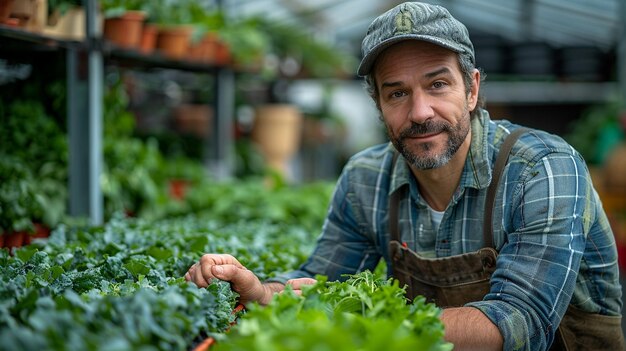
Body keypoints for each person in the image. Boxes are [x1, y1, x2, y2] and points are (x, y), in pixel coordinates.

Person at [185, 2, 624, 350]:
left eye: (437, 85)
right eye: (397, 93)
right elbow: (320, 280)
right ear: (378, 105)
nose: (419, 113)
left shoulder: (543, 168)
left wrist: (360, 320)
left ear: (471, 89)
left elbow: (518, 326)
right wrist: (260, 290)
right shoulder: (365, 179)